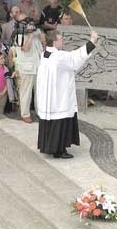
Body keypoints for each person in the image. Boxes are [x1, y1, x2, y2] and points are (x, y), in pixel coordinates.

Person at [37, 30, 99, 158]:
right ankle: (59, 150)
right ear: (54, 42)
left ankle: (51, 146)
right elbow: (75, 58)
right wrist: (92, 41)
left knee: (52, 121)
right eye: (60, 39)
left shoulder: (44, 54)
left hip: (50, 97)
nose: (62, 41)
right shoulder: (58, 57)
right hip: (59, 98)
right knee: (60, 119)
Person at [9, 16, 44, 123]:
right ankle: (25, 114)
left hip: (38, 67)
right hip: (26, 68)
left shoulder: (36, 35)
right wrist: (31, 36)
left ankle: (40, 112)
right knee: (26, 92)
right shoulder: (19, 36)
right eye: (29, 24)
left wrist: (40, 35)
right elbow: (25, 48)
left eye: (33, 24)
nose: (32, 26)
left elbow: (43, 45)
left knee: (39, 93)